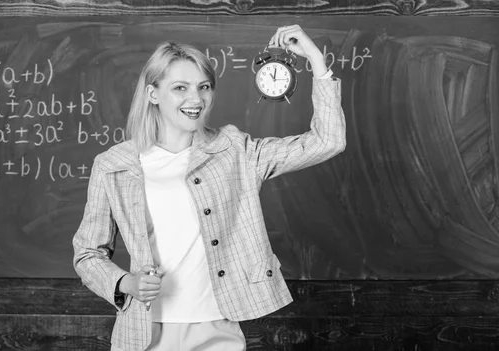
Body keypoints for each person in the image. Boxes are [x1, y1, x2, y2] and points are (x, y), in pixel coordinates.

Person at [73, 24, 346, 351]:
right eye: (180, 87)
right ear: (152, 94)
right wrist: (125, 282)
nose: (195, 99)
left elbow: (327, 142)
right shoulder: (113, 164)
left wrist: (316, 58)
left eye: (204, 87)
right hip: (144, 333)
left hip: (217, 329)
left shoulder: (235, 152)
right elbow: (88, 254)